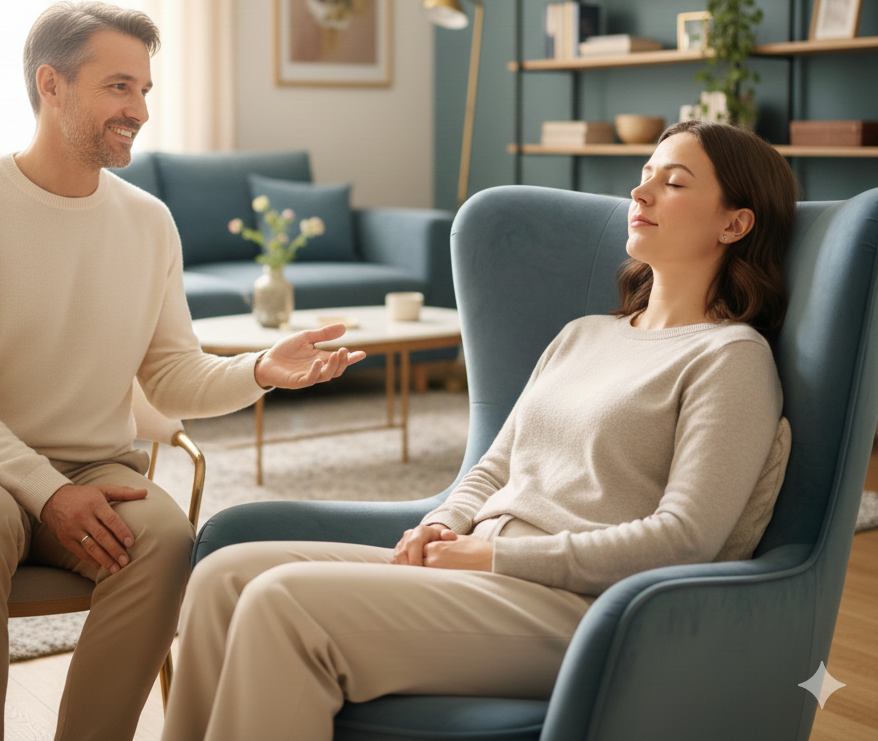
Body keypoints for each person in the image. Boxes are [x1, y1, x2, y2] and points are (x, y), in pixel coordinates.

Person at [160, 120, 799, 741]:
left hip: (584, 607)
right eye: (645, 174)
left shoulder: (730, 358)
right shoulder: (585, 335)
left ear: (734, 223)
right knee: (224, 577)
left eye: (674, 182)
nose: (641, 192)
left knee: (282, 604)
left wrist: (493, 556)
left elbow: (684, 539)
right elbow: (495, 464)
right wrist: (443, 523)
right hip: (479, 566)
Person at [0, 0, 366, 741]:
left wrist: (261, 371)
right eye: (118, 87)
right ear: (50, 85)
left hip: (93, 468)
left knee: (164, 538)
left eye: (143, 89)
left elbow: (169, 374)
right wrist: (47, 492)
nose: (139, 109)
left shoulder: (148, 222)